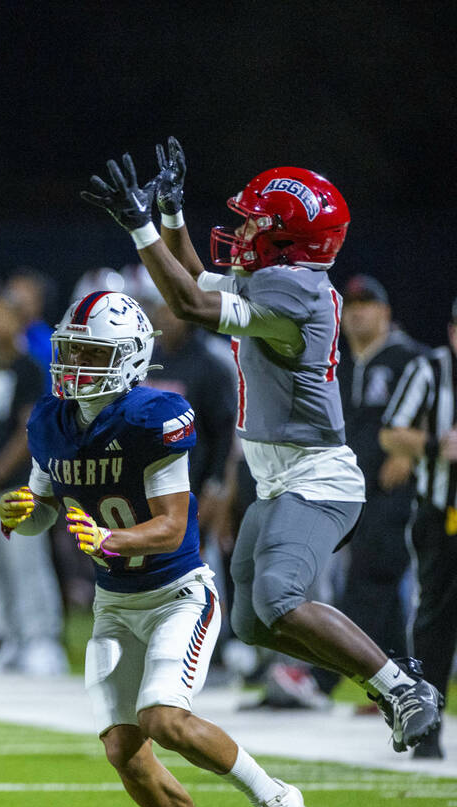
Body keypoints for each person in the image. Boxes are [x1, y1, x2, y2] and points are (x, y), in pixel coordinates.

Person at [79, 136, 443, 752]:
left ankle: (400, 687)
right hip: (278, 475)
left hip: (315, 475)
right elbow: (196, 278)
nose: (243, 229)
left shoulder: (292, 292)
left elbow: (190, 302)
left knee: (279, 596)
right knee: (250, 620)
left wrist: (139, 228)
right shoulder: (279, 279)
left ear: (288, 237)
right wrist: (169, 215)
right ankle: (378, 680)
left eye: (256, 221)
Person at [0, 290, 312, 807]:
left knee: (164, 720)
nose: (75, 367)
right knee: (123, 749)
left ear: (129, 358)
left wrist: (110, 540)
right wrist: (22, 511)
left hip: (178, 594)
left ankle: (276, 797)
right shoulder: (50, 420)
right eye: (72, 352)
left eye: (91, 355)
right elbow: (44, 508)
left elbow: (171, 529)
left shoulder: (153, 419)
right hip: (115, 603)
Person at [300, 275, 422, 703]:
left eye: (367, 303)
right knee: (382, 593)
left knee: (367, 581)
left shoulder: (411, 359)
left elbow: (441, 403)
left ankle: (322, 680)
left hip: (399, 494)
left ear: (386, 312)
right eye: (351, 304)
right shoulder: (339, 361)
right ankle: (405, 684)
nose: (357, 311)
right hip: (351, 492)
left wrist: (413, 449)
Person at [0, 294, 65, 675]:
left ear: (17, 322)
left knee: (26, 564)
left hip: (18, 485)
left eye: (0, 315)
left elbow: (26, 431)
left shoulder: (29, 369)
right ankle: (7, 639)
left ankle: (42, 641)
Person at [379, 298, 457, 759]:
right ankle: (426, 728)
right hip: (441, 516)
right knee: (435, 622)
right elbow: (391, 432)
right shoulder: (431, 370)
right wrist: (434, 444)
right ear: (450, 331)